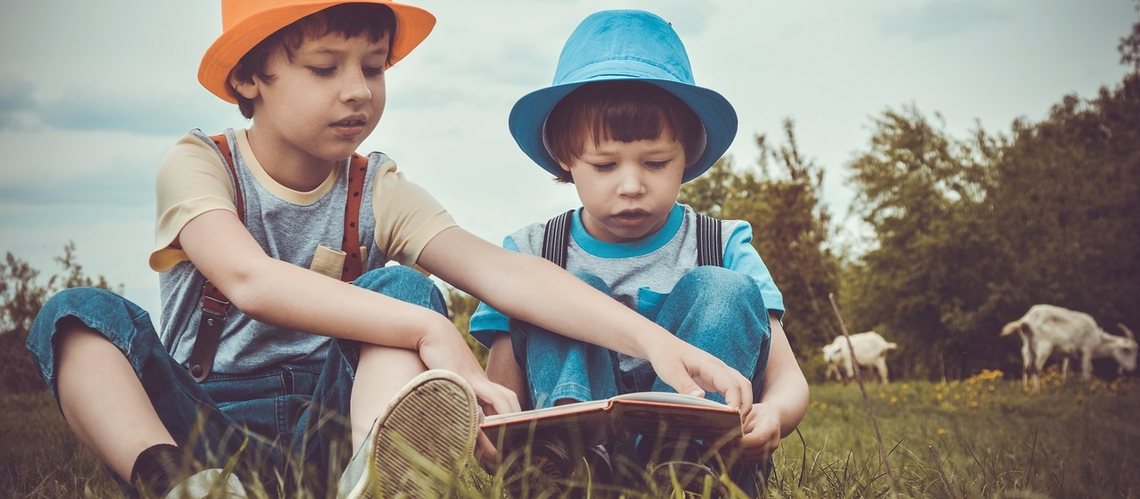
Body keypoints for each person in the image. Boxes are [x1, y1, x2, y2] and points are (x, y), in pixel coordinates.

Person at [24, 1, 755, 498]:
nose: (357, 91)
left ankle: (376, 468)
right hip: (203, 414)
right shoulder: (199, 164)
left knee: (403, 287)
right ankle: (174, 479)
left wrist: (653, 340)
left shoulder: (378, 187)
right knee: (79, 314)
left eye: (372, 68)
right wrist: (434, 331)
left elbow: (503, 272)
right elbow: (247, 279)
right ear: (249, 76)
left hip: (329, 420)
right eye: (325, 67)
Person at [469, 9, 810, 496]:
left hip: (706, 462)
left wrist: (773, 413)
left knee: (721, 288)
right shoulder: (531, 254)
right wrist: (498, 435)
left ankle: (688, 463)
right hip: (573, 468)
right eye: (604, 165)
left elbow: (789, 380)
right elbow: (503, 396)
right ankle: (572, 459)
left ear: (688, 153)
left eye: (655, 162)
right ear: (566, 158)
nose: (631, 185)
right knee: (562, 292)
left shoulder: (721, 244)